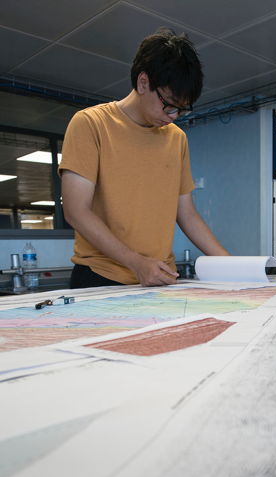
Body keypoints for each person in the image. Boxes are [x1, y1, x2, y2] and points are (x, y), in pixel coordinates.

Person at [60, 28, 229, 289]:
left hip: (161, 278)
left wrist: (230, 266)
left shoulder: (176, 138)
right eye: (169, 104)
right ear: (143, 82)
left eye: (182, 109)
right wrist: (136, 262)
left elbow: (187, 213)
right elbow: (75, 210)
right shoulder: (91, 124)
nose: (174, 115)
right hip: (101, 277)